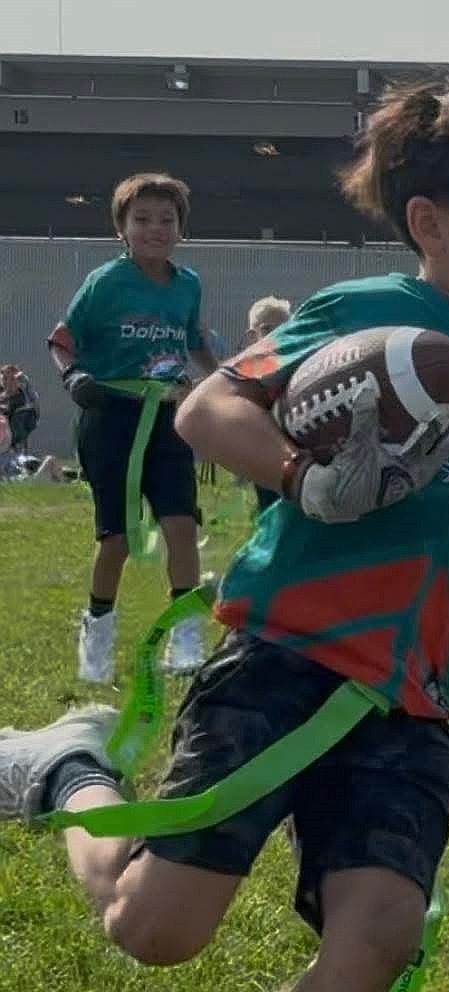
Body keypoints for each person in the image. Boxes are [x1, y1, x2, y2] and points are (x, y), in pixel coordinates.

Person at [0, 65, 449, 992]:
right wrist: (298, 478)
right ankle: (66, 766)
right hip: (286, 659)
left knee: (384, 925)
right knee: (154, 930)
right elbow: (205, 407)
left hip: (402, 710)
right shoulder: (370, 315)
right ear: (428, 221)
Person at [46, 172, 219, 684]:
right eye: (141, 219)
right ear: (121, 227)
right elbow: (61, 340)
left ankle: (184, 635)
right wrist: (75, 377)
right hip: (111, 417)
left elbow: (195, 342)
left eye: (166, 220)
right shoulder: (106, 282)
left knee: (181, 525)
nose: (154, 229)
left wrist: (226, 380)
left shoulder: (188, 284)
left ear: (181, 229)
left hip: (167, 416)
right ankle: (97, 632)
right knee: (116, 538)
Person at [243, 296, 293, 513]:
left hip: (294, 450)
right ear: (252, 336)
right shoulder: (244, 373)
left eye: (284, 328)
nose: (276, 335)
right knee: (271, 509)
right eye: (267, 329)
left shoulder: (297, 365)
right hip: (262, 452)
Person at [0, 363, 40, 452]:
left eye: (12, 379)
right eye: (4, 378)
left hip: (11, 446)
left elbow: (35, 409)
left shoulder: (25, 402)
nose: (7, 382)